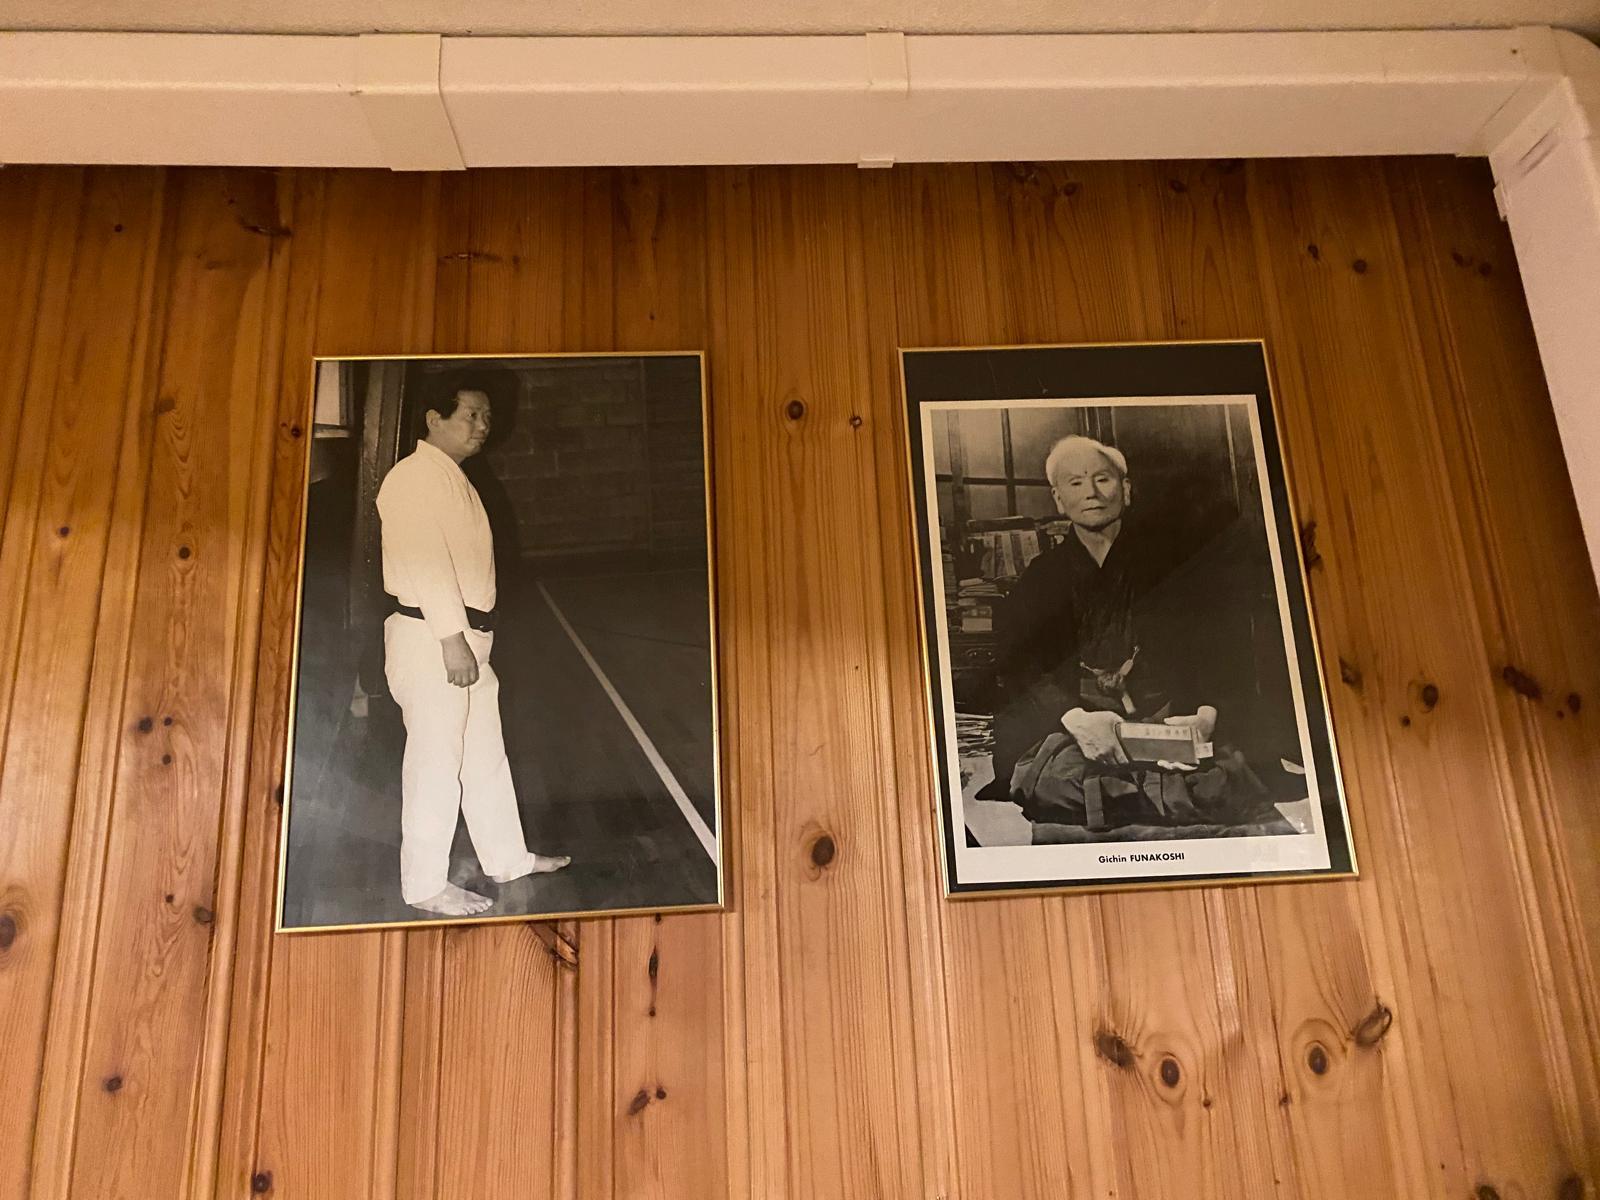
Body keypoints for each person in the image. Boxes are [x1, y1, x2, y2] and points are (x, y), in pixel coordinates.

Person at [987, 434, 1262, 831]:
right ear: (1059, 499)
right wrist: (1076, 719)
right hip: (1080, 723)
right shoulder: (1041, 577)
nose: (1091, 492)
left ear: (1126, 490)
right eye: (1075, 482)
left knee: (1219, 784)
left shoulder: (1175, 563)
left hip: (1164, 718)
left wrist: (1205, 715)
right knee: (1054, 782)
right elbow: (1021, 665)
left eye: (1103, 479)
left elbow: (1220, 646)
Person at [377, 382, 570, 917]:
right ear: (433, 418)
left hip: (465, 639)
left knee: (484, 754)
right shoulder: (413, 478)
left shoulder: (449, 476)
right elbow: (426, 565)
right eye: (471, 414)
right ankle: (423, 885)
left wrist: (466, 640)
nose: (482, 425)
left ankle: (506, 857)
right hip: (433, 641)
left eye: (487, 416)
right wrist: (451, 640)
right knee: (435, 764)